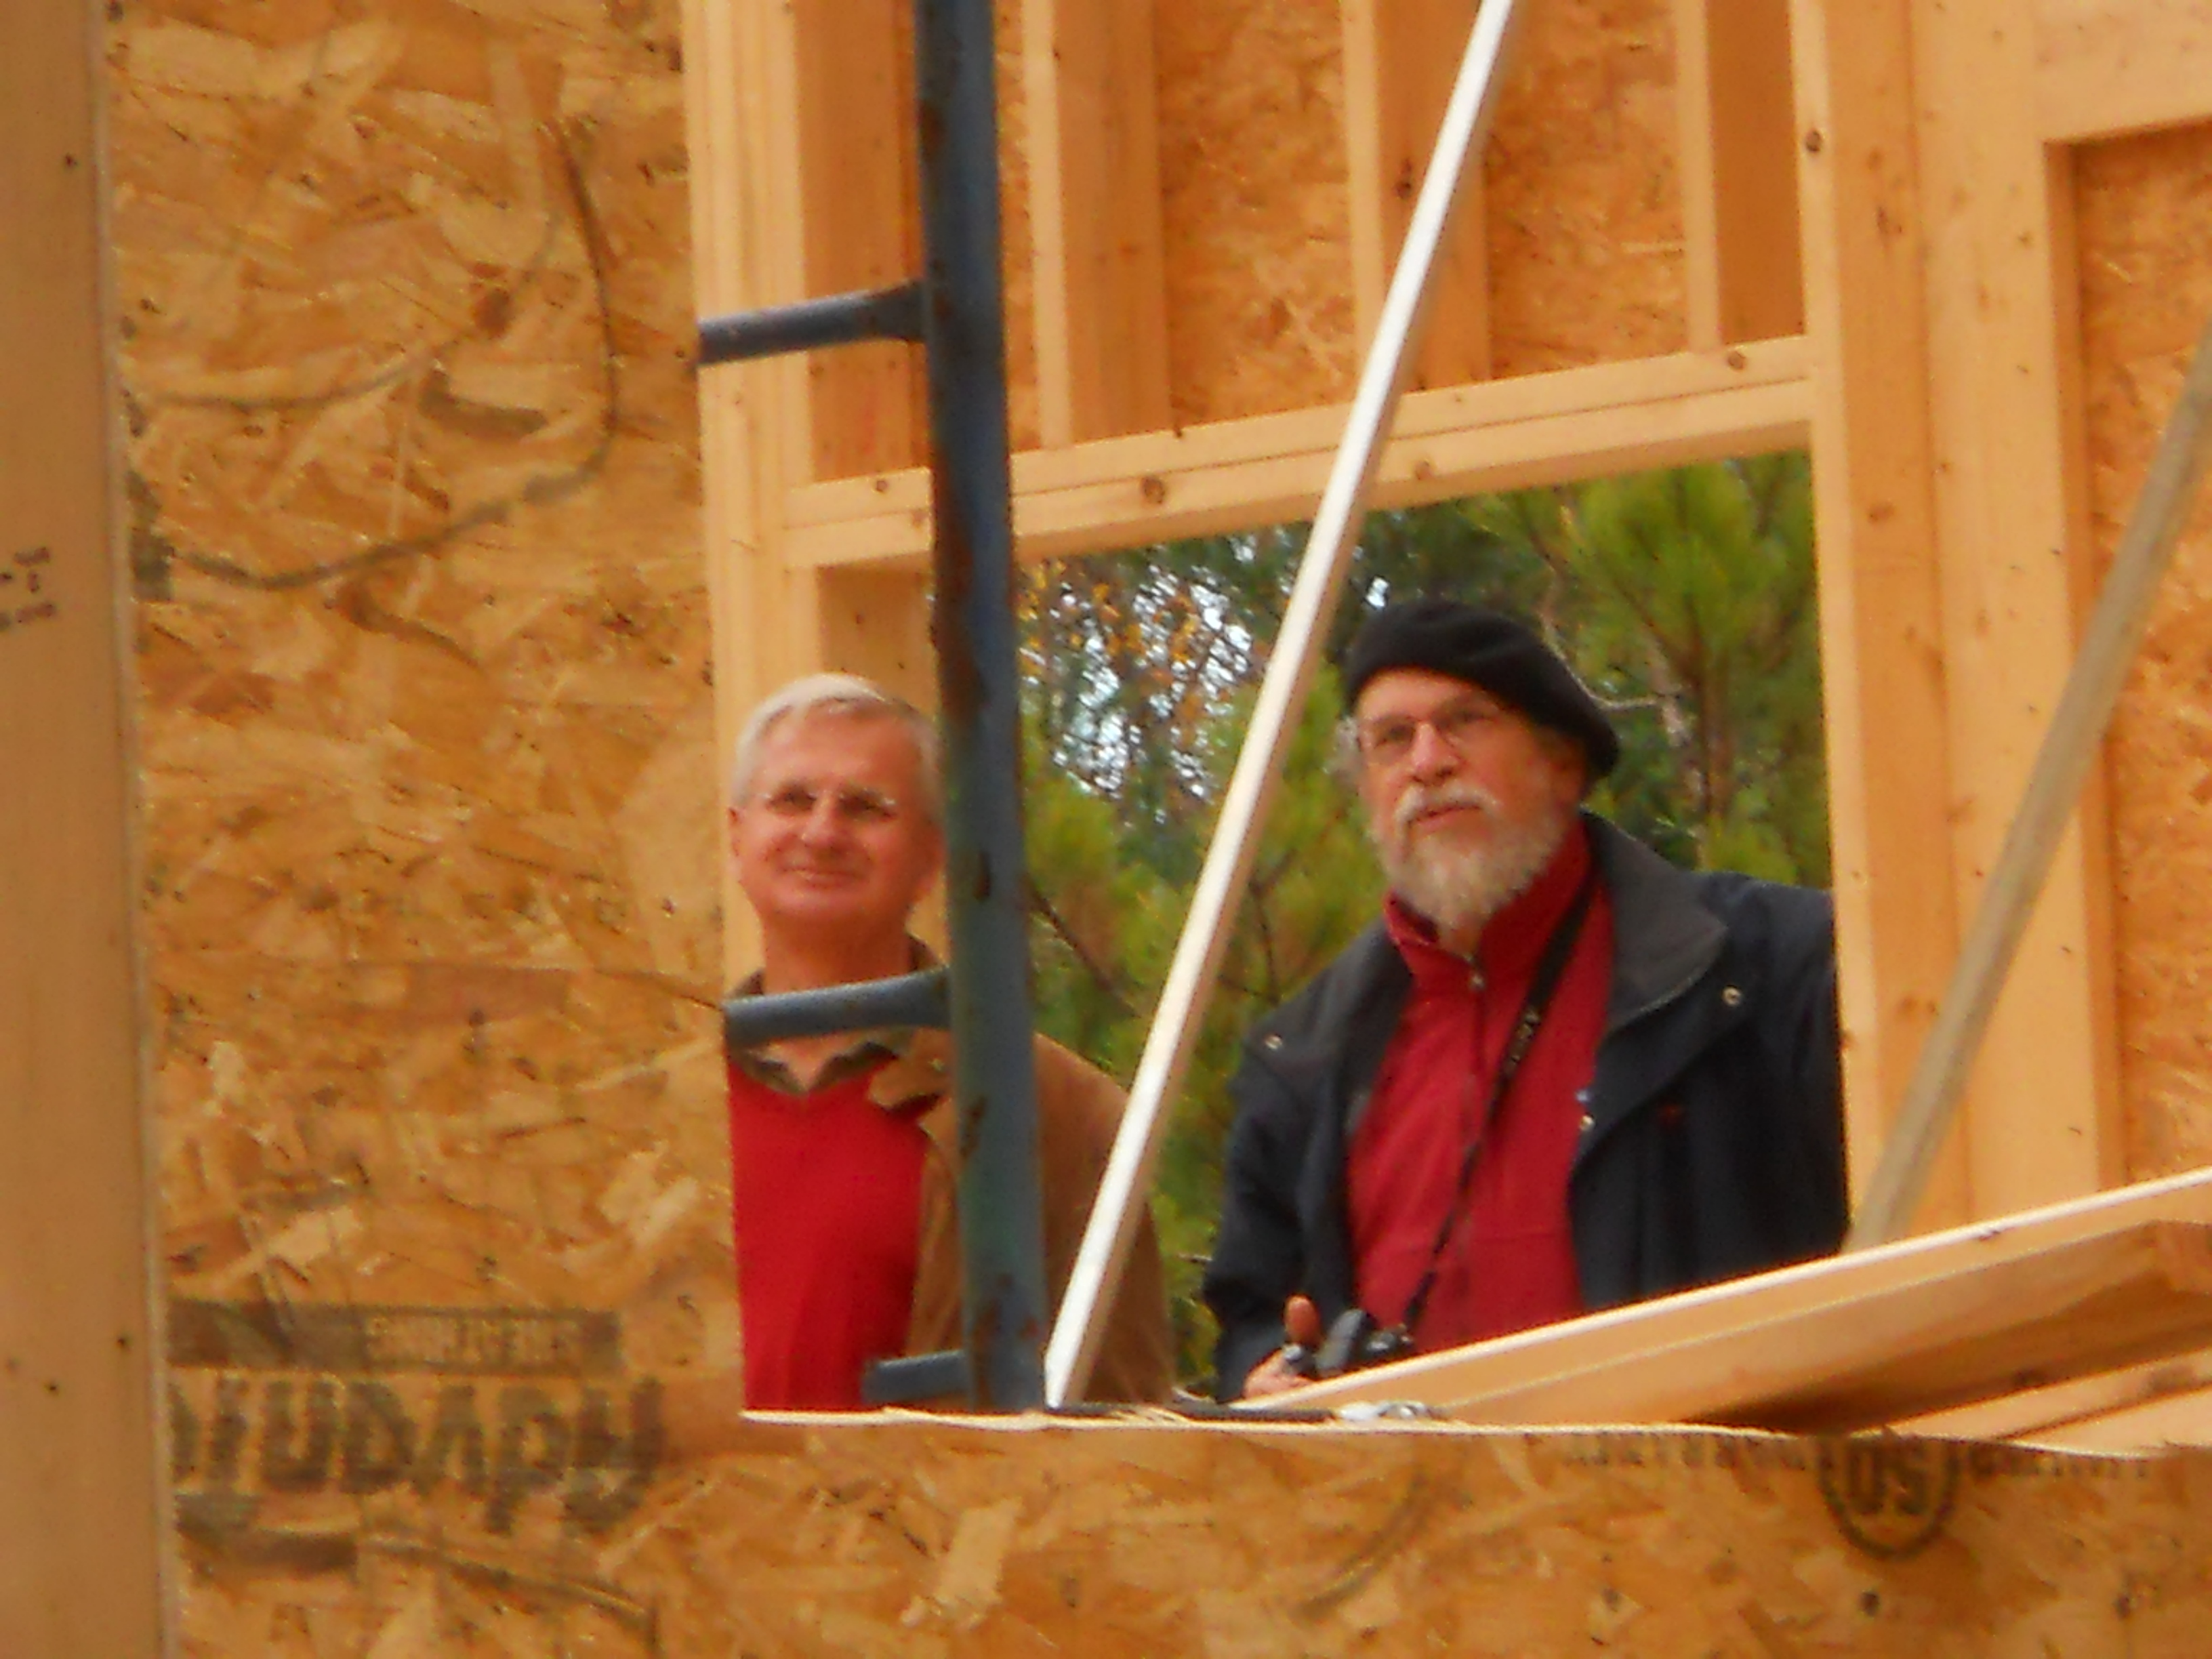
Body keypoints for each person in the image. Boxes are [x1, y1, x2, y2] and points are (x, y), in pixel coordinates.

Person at [1205, 598, 1846, 1400]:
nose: (1428, 763)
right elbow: (1251, 1314)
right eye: (1392, 738)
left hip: (1700, 1472)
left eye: (1465, 721)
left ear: (1562, 763)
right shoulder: (1300, 1059)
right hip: (1401, 1481)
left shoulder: (1762, 970)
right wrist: (1266, 1373)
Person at [725, 672, 1173, 1409]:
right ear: (737, 835)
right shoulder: (651, 1100)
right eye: (792, 800)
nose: (823, 833)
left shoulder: (1052, 1113)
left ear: (932, 857)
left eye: (866, 807)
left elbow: (1120, 1419)